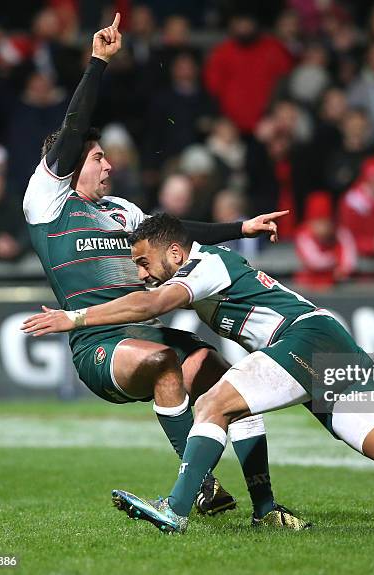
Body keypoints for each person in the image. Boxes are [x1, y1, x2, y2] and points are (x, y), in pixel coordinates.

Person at [22, 212, 374, 535]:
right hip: (328, 340)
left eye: (141, 261)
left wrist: (75, 317)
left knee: (212, 402)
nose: (138, 272)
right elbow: (161, 278)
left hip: (305, 337)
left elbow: (147, 304)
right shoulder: (203, 261)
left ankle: (177, 508)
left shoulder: (201, 267)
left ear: (173, 252)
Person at [21, 13, 304, 528]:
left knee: (225, 375)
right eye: (99, 158)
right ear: (70, 162)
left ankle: (264, 505)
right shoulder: (47, 201)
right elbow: (75, 126)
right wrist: (98, 64)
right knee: (163, 363)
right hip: (99, 345)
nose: (109, 166)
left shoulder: (124, 212)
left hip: (143, 328)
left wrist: (241, 226)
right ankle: (200, 486)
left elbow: (178, 234)